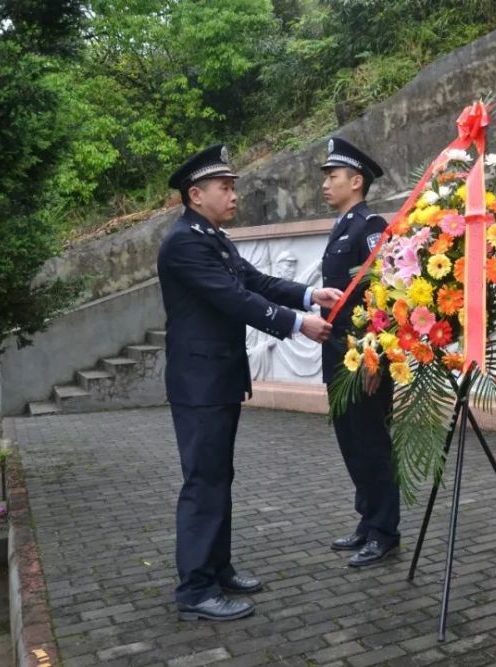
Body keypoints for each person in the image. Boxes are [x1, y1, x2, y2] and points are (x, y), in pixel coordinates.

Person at [157, 144, 340, 621]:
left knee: (219, 477)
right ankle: (195, 590)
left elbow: (255, 282)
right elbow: (234, 298)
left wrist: (309, 294)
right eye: (225, 187)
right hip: (199, 384)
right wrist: (298, 324)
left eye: (233, 186)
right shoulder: (184, 243)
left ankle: (217, 568)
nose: (234, 195)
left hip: (216, 380)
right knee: (204, 482)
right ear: (196, 195)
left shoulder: (212, 238)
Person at [319, 137, 401, 567]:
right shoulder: (342, 227)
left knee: (372, 444)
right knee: (351, 442)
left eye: (332, 176)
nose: (325, 184)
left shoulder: (371, 226)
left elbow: (383, 292)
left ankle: (385, 532)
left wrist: (375, 358)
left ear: (356, 181)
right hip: (337, 354)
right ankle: (368, 521)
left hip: (364, 357)